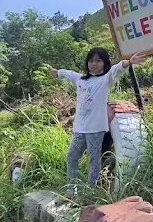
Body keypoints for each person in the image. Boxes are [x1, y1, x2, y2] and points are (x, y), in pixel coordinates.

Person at [51, 47, 145, 197]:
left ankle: (90, 191)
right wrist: (58, 72)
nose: (93, 64)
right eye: (91, 60)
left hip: (96, 128)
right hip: (80, 128)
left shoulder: (106, 79)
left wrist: (128, 62)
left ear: (104, 63)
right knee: (72, 156)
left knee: (94, 161)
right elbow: (69, 74)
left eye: (98, 60)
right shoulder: (81, 79)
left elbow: (117, 69)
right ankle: (71, 189)